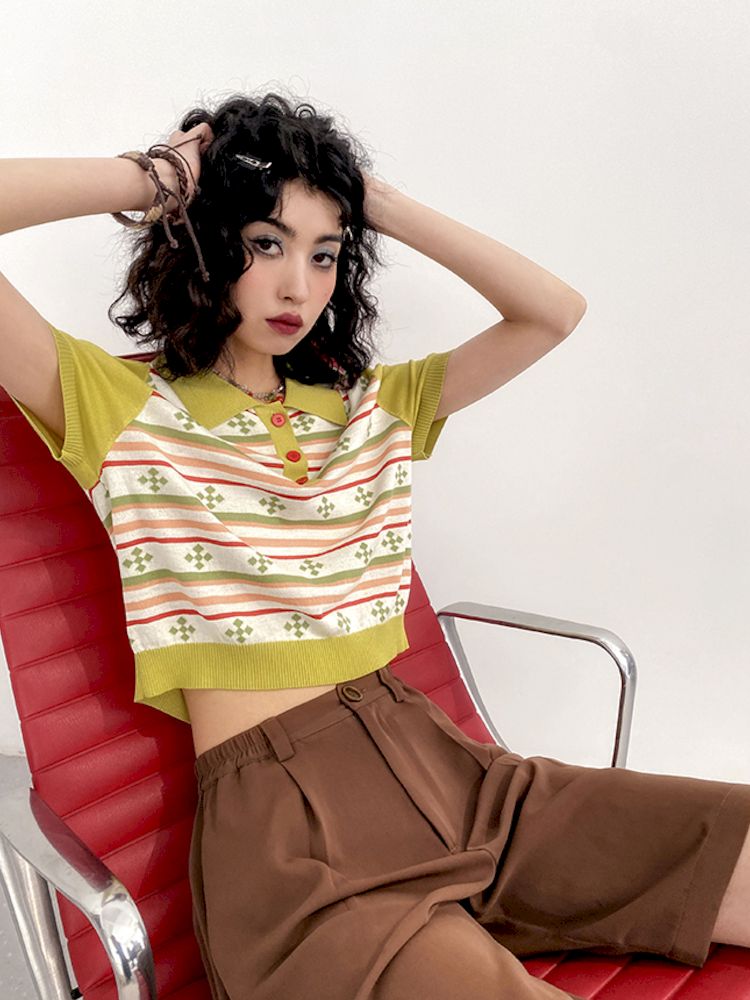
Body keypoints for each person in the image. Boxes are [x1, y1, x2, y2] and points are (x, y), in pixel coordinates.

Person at [1, 89, 749, 1000]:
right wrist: (156, 178)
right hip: (299, 849)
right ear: (205, 240)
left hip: (456, 776)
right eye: (267, 243)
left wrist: (375, 201)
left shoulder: (371, 408)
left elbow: (554, 311)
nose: (298, 287)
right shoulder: (123, 410)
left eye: (324, 254)